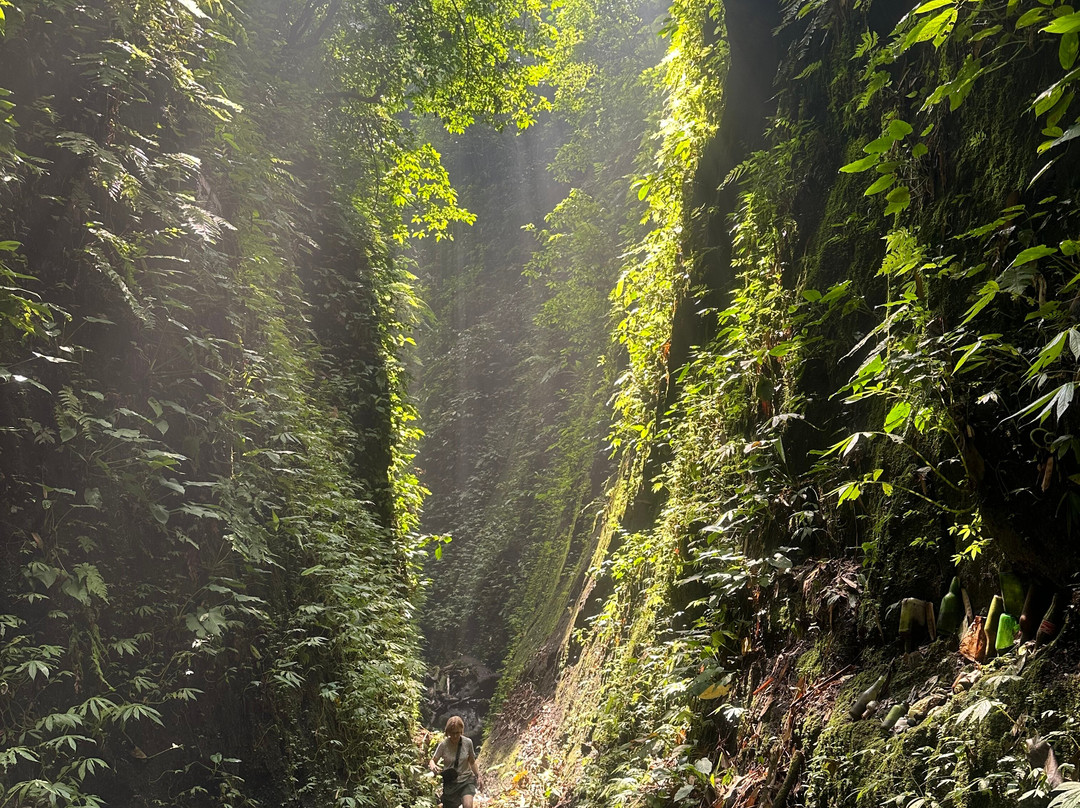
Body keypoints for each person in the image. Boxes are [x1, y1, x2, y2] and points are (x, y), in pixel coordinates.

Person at [429, 716, 482, 808]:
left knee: (468, 805)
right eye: (452, 733)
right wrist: (434, 766)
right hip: (451, 783)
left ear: (461, 731)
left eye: (457, 733)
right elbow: (433, 760)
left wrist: (478, 776)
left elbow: (472, 762)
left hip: (466, 780)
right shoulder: (443, 745)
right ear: (448, 732)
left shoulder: (468, 743)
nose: (455, 736)